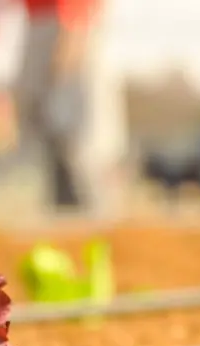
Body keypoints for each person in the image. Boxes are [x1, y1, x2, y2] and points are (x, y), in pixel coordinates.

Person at [15, 0, 127, 217]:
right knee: (49, 143)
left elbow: (76, 16)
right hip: (48, 28)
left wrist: (63, 64)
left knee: (84, 147)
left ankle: (94, 217)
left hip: (70, 36)